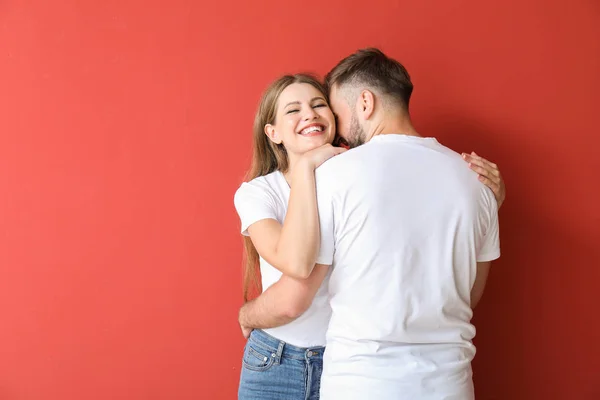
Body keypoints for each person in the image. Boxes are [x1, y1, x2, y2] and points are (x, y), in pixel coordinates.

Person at [234, 68, 505, 399]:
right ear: (272, 132)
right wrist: (484, 201)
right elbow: (467, 294)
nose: (310, 115)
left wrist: (247, 314)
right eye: (293, 110)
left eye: (321, 106)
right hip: (283, 356)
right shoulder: (265, 191)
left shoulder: (343, 176)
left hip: (348, 366)